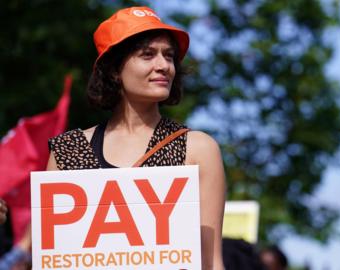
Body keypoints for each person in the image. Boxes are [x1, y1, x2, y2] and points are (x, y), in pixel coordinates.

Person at [46, 6, 226, 269]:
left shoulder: (196, 149)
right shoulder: (67, 152)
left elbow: (211, 262)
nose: (164, 65)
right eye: (147, 55)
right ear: (114, 70)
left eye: (169, 56)